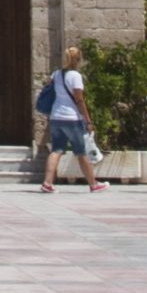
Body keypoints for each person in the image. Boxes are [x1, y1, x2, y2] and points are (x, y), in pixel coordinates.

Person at [38, 44, 104, 193]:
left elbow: (50, 88)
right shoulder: (76, 76)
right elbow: (79, 100)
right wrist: (88, 120)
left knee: (56, 150)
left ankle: (47, 182)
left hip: (56, 116)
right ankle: (93, 184)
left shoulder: (56, 74)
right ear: (78, 59)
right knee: (81, 152)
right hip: (72, 118)